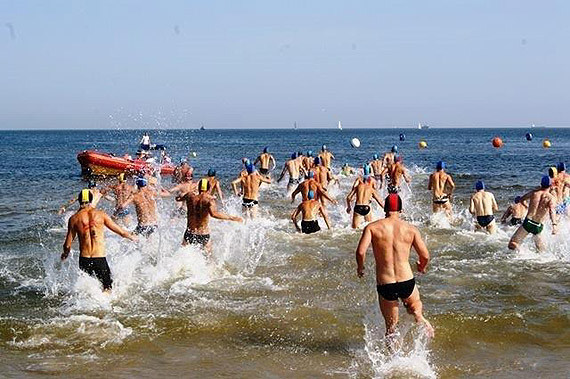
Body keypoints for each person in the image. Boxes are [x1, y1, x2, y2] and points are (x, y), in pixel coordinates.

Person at [355, 193, 434, 342]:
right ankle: (421, 319)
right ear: (401, 210)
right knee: (415, 309)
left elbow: (360, 252)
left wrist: (360, 268)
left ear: (384, 208)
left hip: (386, 284)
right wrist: (422, 267)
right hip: (407, 281)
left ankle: (393, 362)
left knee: (391, 328)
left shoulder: (372, 227)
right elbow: (425, 256)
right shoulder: (410, 229)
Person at [62, 189, 137, 292]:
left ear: (79, 201)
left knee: (87, 290)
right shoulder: (101, 215)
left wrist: (65, 254)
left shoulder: (74, 219)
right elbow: (121, 232)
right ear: (91, 200)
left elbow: (67, 245)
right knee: (107, 287)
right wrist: (133, 237)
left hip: (84, 260)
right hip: (99, 259)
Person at [177, 178, 242, 254]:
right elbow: (214, 214)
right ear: (208, 188)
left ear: (199, 187)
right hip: (203, 234)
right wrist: (232, 218)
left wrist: (180, 196)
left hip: (189, 233)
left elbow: (178, 199)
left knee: (183, 254)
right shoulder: (209, 200)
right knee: (208, 258)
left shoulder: (189, 195)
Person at [508, 176, 558, 252]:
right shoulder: (551, 198)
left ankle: (522, 253)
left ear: (541, 184)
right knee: (541, 251)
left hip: (528, 222)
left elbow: (521, 199)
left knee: (513, 243)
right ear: (551, 186)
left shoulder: (534, 193)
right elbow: (552, 211)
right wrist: (554, 225)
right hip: (538, 226)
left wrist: (527, 206)